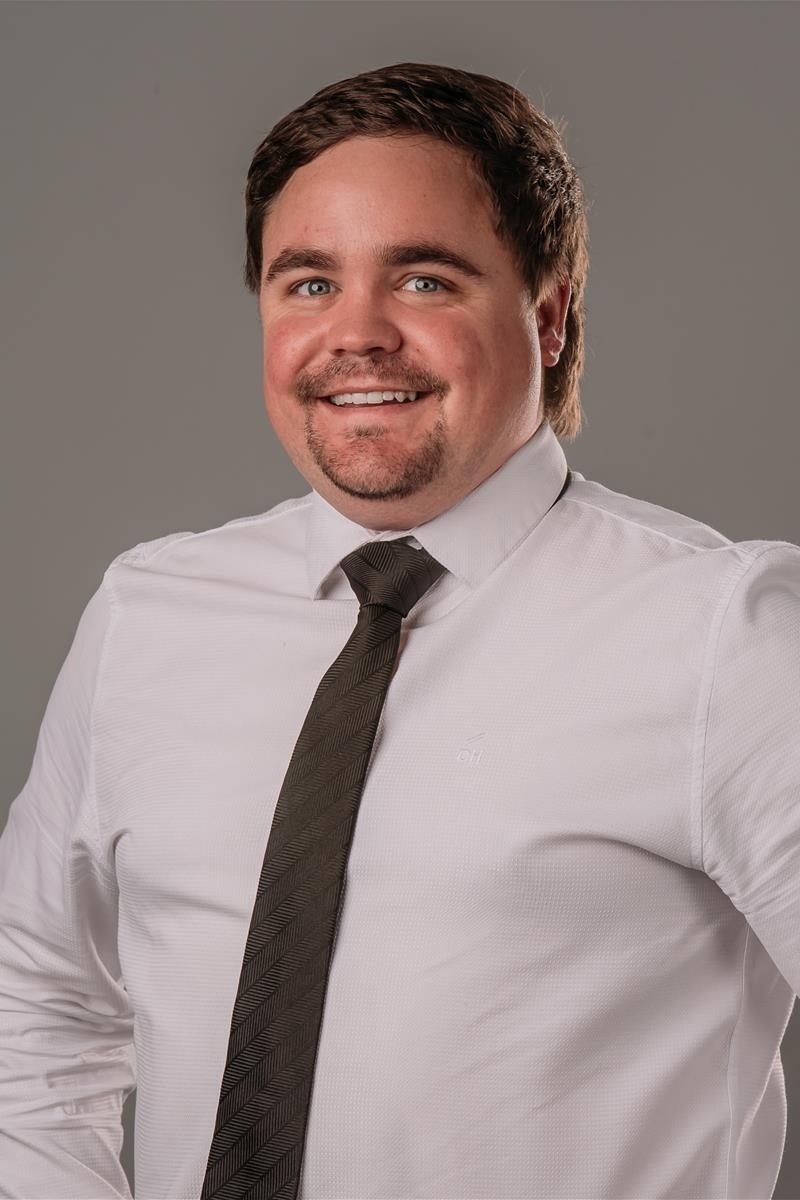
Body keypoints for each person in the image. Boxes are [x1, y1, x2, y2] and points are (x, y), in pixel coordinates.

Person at [1, 60, 799, 1200]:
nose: (357, 334)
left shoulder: (724, 632)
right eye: (308, 283)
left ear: (548, 315)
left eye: (424, 279)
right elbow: (32, 1006)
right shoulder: (149, 612)